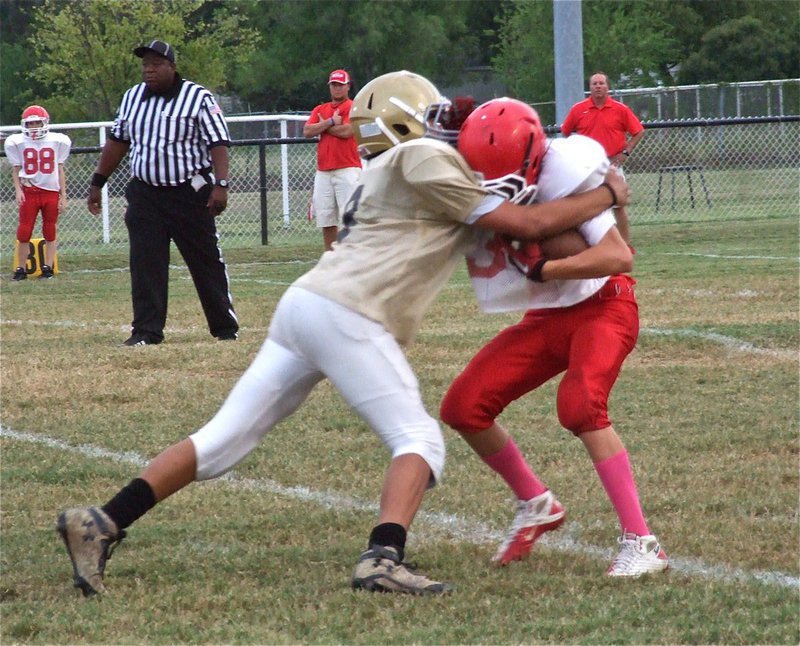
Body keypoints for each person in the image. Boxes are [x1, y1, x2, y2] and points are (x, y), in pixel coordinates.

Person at [56, 71, 629, 598]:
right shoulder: (424, 160)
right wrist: (607, 192)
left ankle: (102, 521)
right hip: (349, 312)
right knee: (420, 441)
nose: (443, 126)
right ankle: (383, 557)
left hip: (306, 307)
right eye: (431, 117)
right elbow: (525, 223)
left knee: (221, 442)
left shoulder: (387, 166)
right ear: (409, 122)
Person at [440, 98, 668, 578]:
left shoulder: (568, 175)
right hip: (547, 315)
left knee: (582, 405)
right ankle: (535, 502)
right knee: (464, 406)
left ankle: (642, 541)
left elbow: (619, 256)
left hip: (605, 303)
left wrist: (548, 268)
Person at [87, 40, 238, 346]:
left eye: (156, 64)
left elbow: (218, 143)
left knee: (205, 261)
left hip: (189, 193)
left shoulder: (197, 97)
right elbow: (118, 141)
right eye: (145, 65)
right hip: (146, 194)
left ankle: (224, 328)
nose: (149, 70)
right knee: (145, 264)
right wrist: (97, 181)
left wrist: (221, 185)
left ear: (172, 67)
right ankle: (146, 331)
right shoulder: (131, 98)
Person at [561, 72, 645, 245]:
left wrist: (626, 152)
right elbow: (565, 132)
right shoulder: (578, 109)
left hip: (612, 164)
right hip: (586, 166)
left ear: (607, 87)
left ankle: (625, 245)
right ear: (589, 88)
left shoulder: (619, 109)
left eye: (601, 83)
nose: (598, 86)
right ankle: (587, 243)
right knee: (585, 205)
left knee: (618, 205)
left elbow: (638, 131)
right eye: (594, 84)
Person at [4, 105, 71, 280]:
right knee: (24, 230)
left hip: (51, 191)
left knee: (50, 230)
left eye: (37, 122)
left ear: (45, 122)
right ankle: (20, 269)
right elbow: (16, 169)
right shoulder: (17, 141)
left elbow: (60, 169)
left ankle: (47, 267)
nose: (34, 126)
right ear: (25, 124)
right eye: (31, 123)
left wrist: (63, 195)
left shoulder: (58, 140)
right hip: (30, 191)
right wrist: (18, 190)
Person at [303, 69, 362, 251]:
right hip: (324, 171)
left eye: (340, 85)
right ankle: (331, 257)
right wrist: (329, 122)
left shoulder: (354, 107)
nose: (336, 89)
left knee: (350, 218)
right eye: (333, 85)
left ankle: (351, 257)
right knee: (326, 219)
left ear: (347, 87)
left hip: (348, 168)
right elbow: (307, 131)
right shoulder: (320, 109)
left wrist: (322, 126)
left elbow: (346, 132)